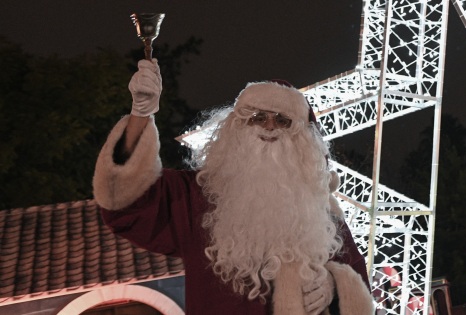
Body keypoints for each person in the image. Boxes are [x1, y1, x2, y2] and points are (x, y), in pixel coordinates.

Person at [93, 59, 374, 315]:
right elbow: (128, 204)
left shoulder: (320, 213)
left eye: (283, 120)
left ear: (301, 138)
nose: (270, 127)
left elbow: (359, 289)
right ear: (237, 127)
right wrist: (140, 115)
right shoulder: (197, 197)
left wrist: (335, 287)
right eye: (258, 117)